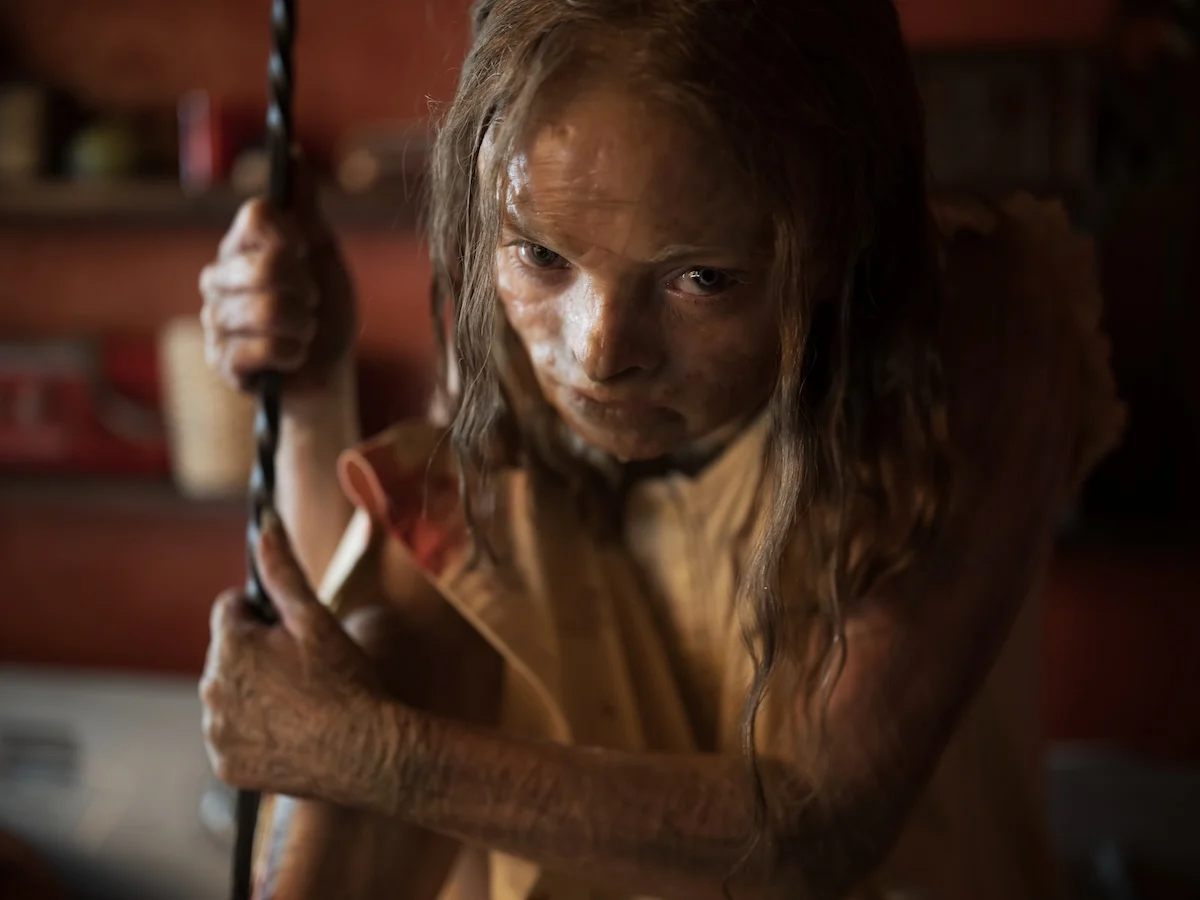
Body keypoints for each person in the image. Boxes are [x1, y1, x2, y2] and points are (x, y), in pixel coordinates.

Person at [196, 0, 1125, 897]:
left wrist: (381, 759)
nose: (599, 352)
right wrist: (310, 392)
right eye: (543, 257)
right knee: (385, 642)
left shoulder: (975, 325)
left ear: (841, 230)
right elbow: (382, 655)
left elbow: (820, 826)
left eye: (703, 278)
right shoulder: (512, 328)